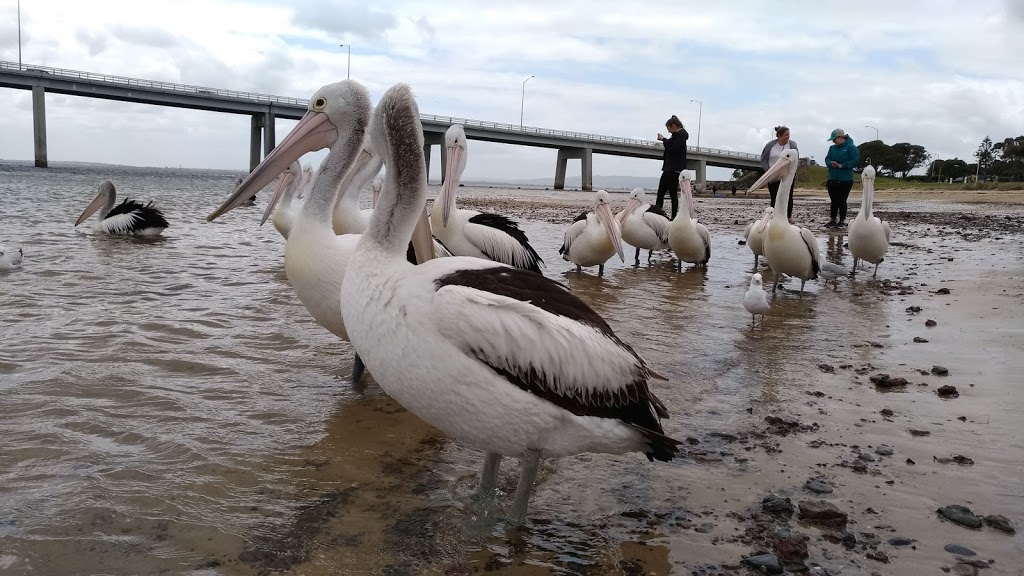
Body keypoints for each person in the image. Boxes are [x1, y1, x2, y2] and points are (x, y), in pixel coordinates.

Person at [759, 126, 798, 220]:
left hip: (786, 176)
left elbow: (795, 160)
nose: (788, 136)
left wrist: (791, 173)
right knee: (774, 197)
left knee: (788, 197)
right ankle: (774, 216)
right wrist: (768, 171)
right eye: (786, 135)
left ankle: (788, 217)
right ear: (779, 136)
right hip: (773, 175)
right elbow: (764, 159)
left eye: (789, 134)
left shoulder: (792, 145)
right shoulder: (770, 146)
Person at [823, 128, 860, 228]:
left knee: (842, 200)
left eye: (835, 139)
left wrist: (842, 165)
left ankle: (842, 221)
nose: (833, 141)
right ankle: (833, 220)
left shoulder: (851, 147)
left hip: (846, 179)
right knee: (833, 200)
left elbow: (855, 160)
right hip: (833, 178)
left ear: (840, 137)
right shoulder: (832, 148)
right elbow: (827, 159)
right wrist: (831, 163)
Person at [655, 115, 688, 218]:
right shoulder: (677, 135)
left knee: (668, 194)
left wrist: (663, 139)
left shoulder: (680, 135)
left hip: (673, 170)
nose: (668, 131)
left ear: (673, 125)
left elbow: (672, 148)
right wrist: (666, 140)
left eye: (668, 128)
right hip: (670, 169)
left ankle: (671, 216)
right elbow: (671, 146)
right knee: (665, 193)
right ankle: (660, 214)